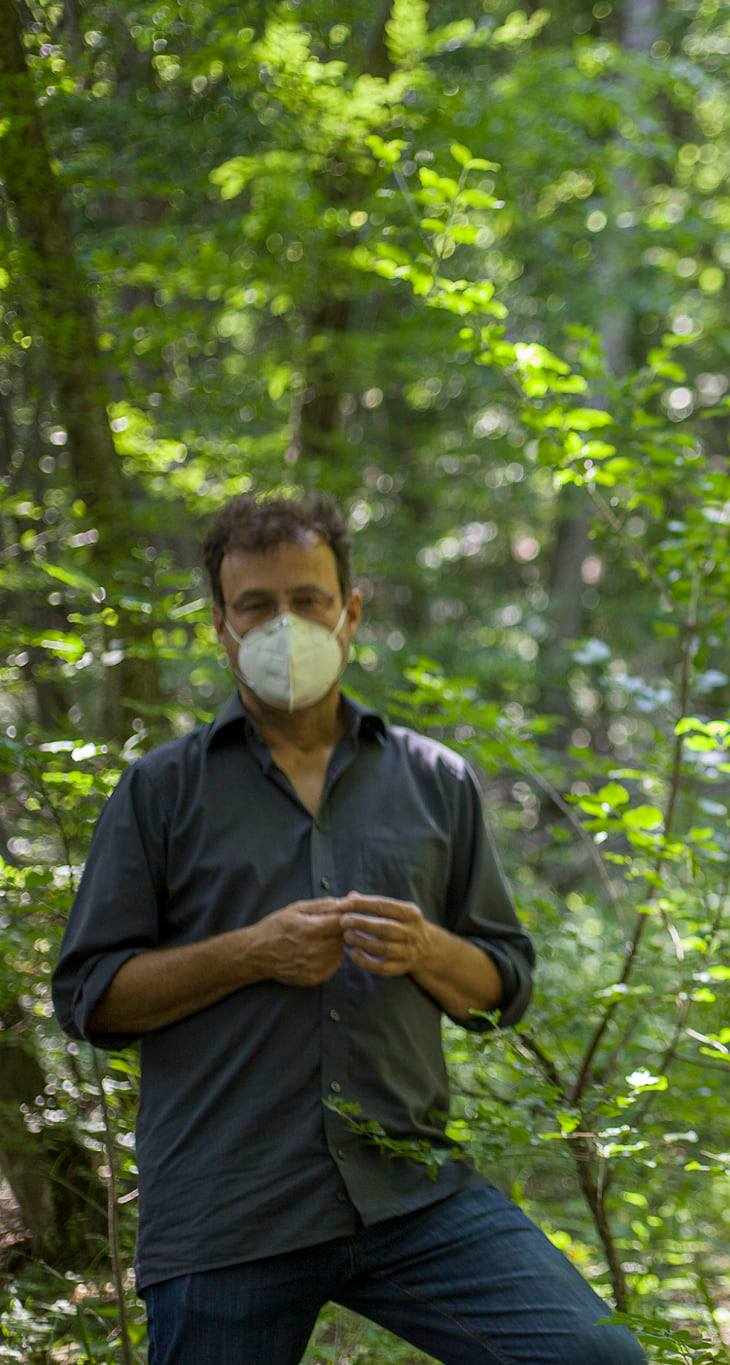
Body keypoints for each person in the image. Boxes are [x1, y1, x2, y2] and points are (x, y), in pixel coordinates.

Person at [52, 493, 644, 1365]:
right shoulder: (161, 790)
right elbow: (90, 998)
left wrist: (428, 948)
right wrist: (250, 952)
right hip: (228, 1208)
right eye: (256, 604)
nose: (283, 625)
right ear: (220, 624)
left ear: (350, 611)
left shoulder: (434, 779)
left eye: (307, 599)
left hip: (412, 1191)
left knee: (599, 1358)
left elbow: (503, 987)